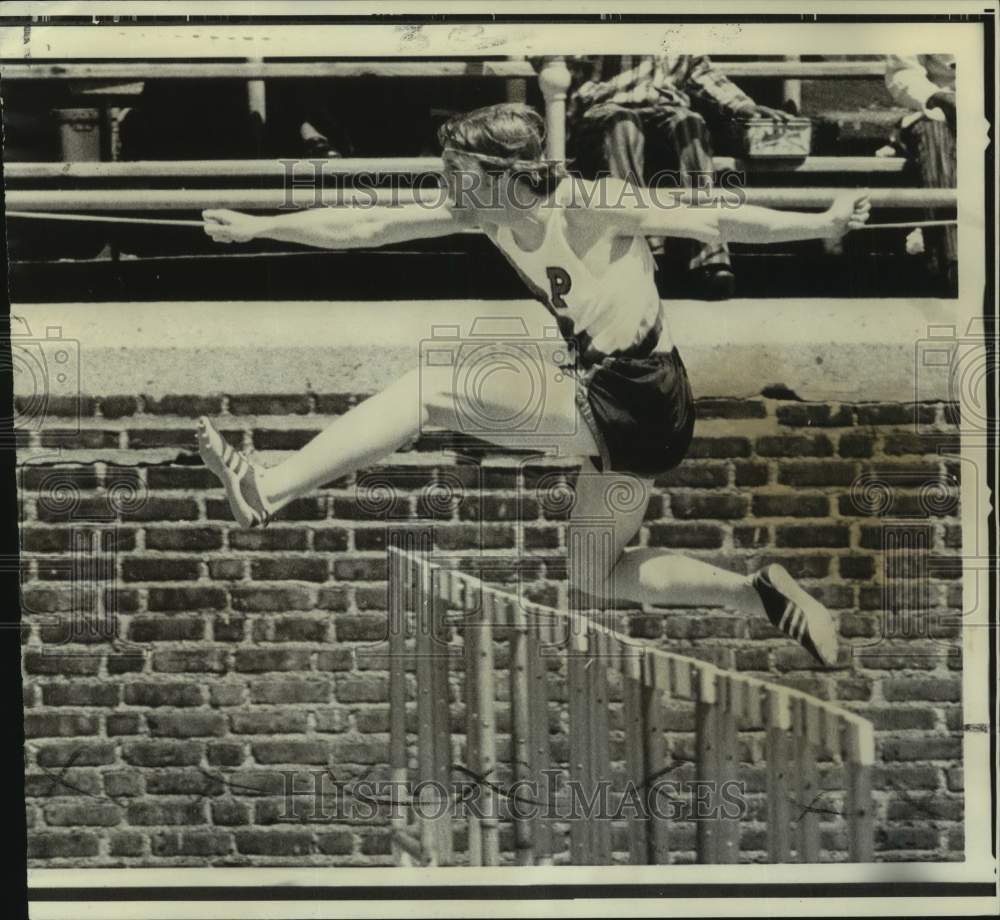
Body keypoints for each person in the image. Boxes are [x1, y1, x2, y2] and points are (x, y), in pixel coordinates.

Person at [197, 103, 869, 667]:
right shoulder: (487, 213)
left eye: (457, 171)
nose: (446, 183)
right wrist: (261, 227)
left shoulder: (589, 205)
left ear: (505, 174)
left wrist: (822, 225)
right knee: (595, 573)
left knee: (430, 388)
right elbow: (367, 225)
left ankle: (269, 488)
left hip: (633, 391)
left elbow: (713, 218)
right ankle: (758, 594)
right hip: (638, 409)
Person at [566, 55, 795, 300]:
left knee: (691, 125)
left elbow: (701, 71)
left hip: (666, 110)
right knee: (624, 126)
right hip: (606, 110)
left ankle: (708, 255)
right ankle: (635, 254)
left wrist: (744, 106)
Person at [884, 54, 957, 289]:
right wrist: (937, 97)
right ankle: (954, 261)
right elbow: (902, 73)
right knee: (935, 134)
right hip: (942, 111)